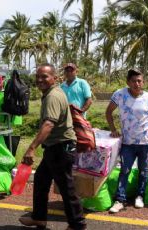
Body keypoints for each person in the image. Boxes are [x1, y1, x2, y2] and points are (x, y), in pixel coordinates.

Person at [19, 64, 86, 230]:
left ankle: (77, 224)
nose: (40, 80)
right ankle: (39, 218)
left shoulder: (52, 96)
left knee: (66, 187)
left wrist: (32, 148)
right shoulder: (51, 93)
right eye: (38, 76)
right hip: (54, 147)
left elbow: (49, 124)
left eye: (45, 76)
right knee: (41, 181)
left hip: (60, 148)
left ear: (54, 78)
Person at [106, 69, 148, 213]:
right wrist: (113, 129)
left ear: (143, 82)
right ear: (128, 82)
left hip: (145, 142)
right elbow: (108, 112)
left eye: (139, 81)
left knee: (144, 170)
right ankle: (120, 200)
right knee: (125, 170)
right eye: (134, 81)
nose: (137, 84)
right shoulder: (119, 94)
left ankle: (140, 196)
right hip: (127, 142)